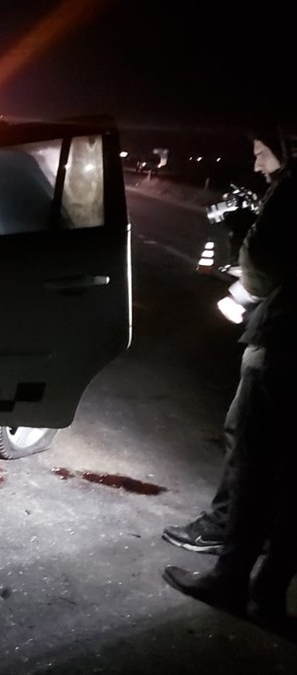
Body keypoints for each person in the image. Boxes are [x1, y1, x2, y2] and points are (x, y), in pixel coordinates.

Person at [162, 124, 297, 624]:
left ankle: (230, 579)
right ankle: (271, 590)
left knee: (254, 463)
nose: (258, 163)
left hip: (285, 344)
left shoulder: (292, 189)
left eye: (262, 152)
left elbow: (261, 266)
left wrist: (246, 232)